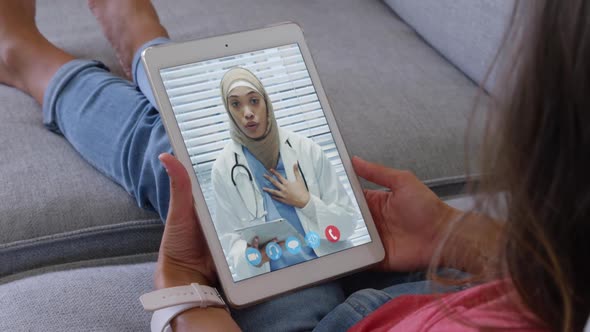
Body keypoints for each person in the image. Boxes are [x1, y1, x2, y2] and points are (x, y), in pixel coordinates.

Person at [1, 1, 589, 332]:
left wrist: (182, 295)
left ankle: (38, 60)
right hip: (459, 289)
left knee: (185, 164)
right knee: (239, 159)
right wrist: (459, 237)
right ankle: (148, 55)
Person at [211, 67, 357, 280]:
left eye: (254, 101)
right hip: (278, 284)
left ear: (266, 103)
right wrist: (252, 257)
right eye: (235, 104)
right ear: (228, 110)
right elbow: (231, 242)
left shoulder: (307, 150)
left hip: (334, 270)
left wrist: (306, 202)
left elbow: (348, 225)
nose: (248, 113)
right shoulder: (223, 170)